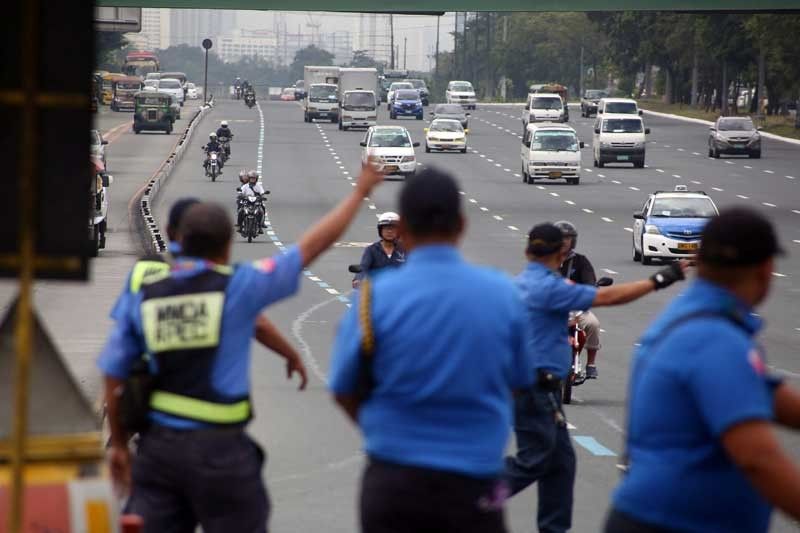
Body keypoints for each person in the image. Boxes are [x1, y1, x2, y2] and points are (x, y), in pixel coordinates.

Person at [98, 164, 383, 532]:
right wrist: (358, 193)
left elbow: (112, 370)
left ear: (177, 241)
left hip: (160, 452)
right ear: (227, 246)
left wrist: (120, 444)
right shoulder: (240, 286)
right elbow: (309, 248)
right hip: (223, 454)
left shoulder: (146, 295)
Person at [330, 167, 537, 533]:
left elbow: (344, 388)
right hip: (475, 482)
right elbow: (520, 383)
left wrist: (388, 432)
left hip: (393, 481)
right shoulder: (503, 294)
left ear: (404, 227)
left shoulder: (372, 298)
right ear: (462, 224)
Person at [605, 207, 800, 533]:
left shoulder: (693, 316)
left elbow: (761, 391)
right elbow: (758, 459)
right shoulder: (715, 338)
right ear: (765, 270)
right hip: (673, 524)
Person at [505, 222, 687, 533]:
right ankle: (470, 500)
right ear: (561, 253)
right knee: (533, 460)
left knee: (562, 464)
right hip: (535, 388)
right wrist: (661, 278)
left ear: (527, 251)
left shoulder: (523, 281)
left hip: (535, 387)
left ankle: (553, 528)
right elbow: (608, 297)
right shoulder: (548, 286)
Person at [109, 197, 306, 393]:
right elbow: (259, 324)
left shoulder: (143, 268)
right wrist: (290, 355)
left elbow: (118, 344)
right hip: (204, 384)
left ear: (169, 231)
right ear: (223, 243)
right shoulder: (220, 277)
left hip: (145, 376)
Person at [555, 220, 602, 379]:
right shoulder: (546, 260)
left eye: (567, 238)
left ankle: (591, 364)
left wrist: (591, 289)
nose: (564, 241)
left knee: (593, 324)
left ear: (573, 241)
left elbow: (590, 281)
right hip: (551, 309)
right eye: (560, 238)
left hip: (576, 308)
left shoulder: (580, 261)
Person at [352, 211, 406, 287]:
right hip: (376, 291)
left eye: (392, 228)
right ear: (380, 230)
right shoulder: (371, 250)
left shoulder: (407, 249)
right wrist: (358, 279)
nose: (389, 231)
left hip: (402, 291)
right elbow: (363, 268)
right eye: (386, 228)